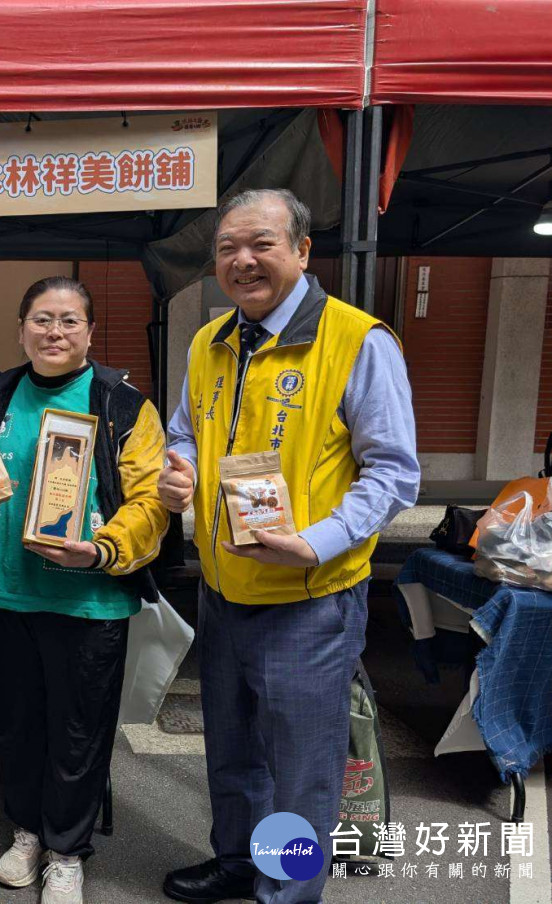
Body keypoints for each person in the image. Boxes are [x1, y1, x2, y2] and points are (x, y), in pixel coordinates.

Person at [159, 189, 419, 904]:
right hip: (222, 588)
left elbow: (395, 473)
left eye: (261, 244)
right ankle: (240, 862)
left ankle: (286, 894)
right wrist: (176, 467)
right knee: (233, 751)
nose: (242, 261)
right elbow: (185, 430)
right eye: (226, 248)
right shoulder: (210, 342)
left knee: (301, 769)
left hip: (310, 600)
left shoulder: (357, 340)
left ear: (303, 251)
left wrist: (315, 542)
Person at [0, 276, 169, 904]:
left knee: (78, 731)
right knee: (16, 724)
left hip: (89, 600)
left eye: (70, 321)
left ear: (90, 332)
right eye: (42, 320)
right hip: (4, 593)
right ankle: (27, 831)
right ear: (21, 328)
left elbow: (151, 502)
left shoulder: (122, 405)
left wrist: (101, 548)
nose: (54, 332)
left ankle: (68, 851)